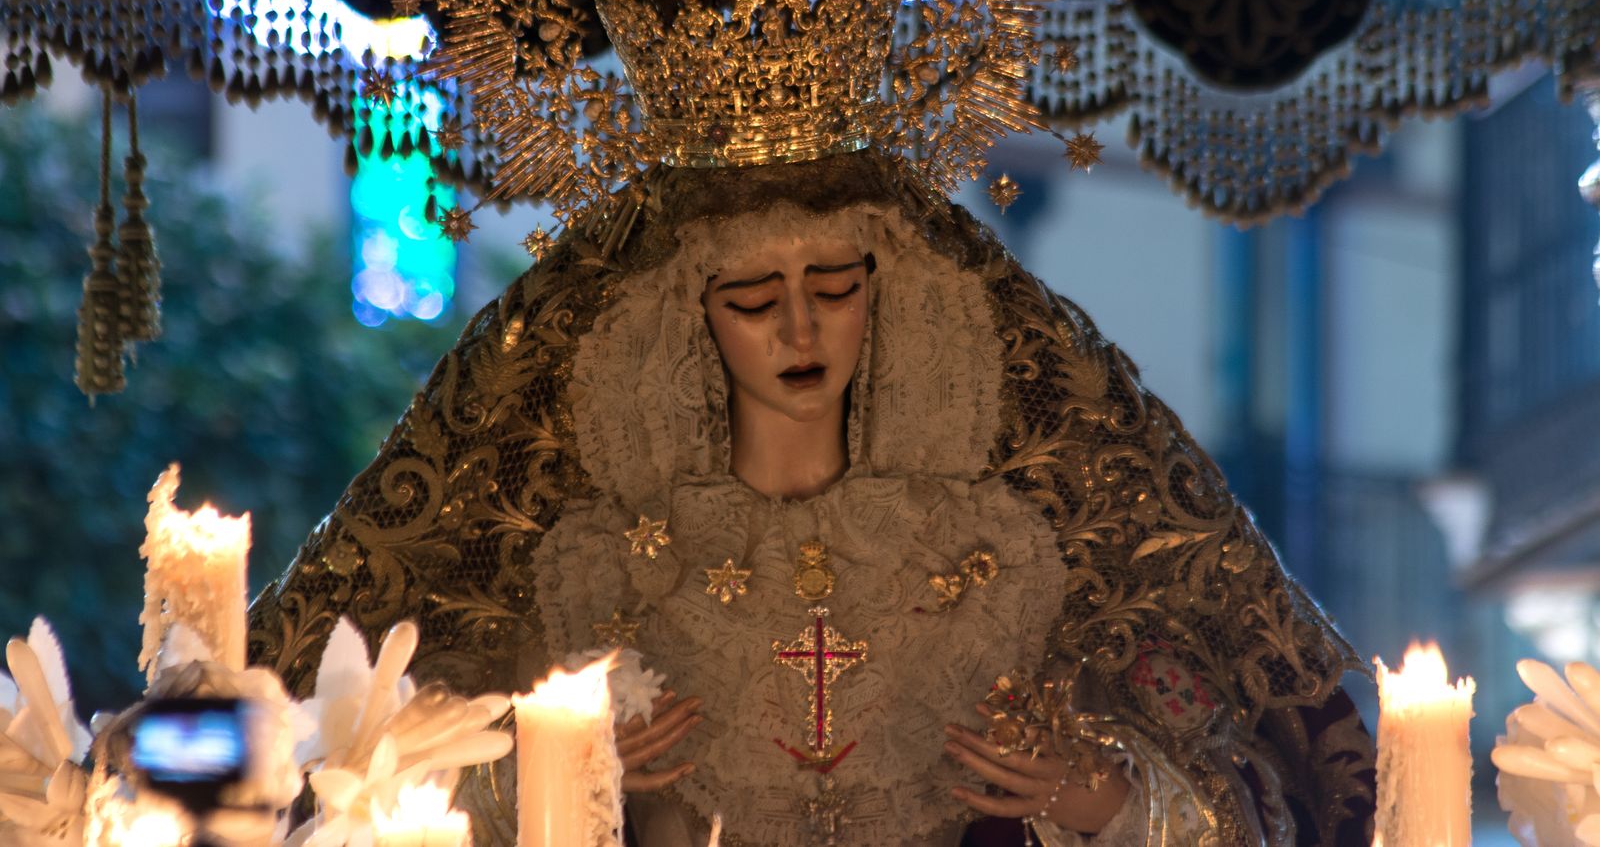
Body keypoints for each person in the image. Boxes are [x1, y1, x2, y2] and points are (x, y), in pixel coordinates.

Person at [249, 150, 1376, 846]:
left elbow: (1251, 795)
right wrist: (543, 775)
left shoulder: (999, 548)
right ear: (690, 322)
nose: (800, 327)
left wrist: (1097, 794)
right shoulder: (596, 565)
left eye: (834, 288)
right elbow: (364, 796)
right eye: (752, 296)